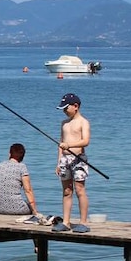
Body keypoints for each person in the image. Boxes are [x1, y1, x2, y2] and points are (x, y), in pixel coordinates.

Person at [53, 93, 91, 233]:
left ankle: (83, 222)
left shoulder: (83, 122)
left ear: (76, 106)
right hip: (65, 159)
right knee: (67, 191)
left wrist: (69, 145)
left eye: (66, 108)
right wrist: (58, 162)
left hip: (78, 158)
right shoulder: (64, 123)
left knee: (80, 190)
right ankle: (66, 222)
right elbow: (61, 143)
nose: (64, 111)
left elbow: (85, 141)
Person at [0, 143, 39, 216]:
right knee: (28, 204)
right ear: (23, 156)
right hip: (17, 208)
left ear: (9, 153)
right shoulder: (22, 167)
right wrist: (34, 210)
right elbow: (28, 190)